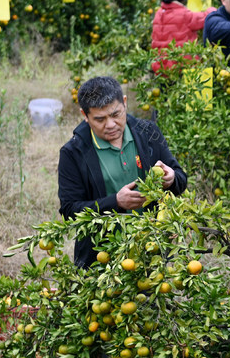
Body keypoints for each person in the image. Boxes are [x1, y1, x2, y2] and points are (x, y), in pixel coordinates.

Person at [58, 76, 187, 267]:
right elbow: (70, 211)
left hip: (150, 251)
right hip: (101, 257)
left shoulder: (148, 133)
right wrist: (115, 202)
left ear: (124, 103)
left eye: (116, 114)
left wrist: (172, 178)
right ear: (85, 115)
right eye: (100, 119)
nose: (110, 125)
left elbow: (181, 180)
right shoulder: (73, 153)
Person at [150, 0, 215, 75]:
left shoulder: (159, 12)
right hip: (181, 66)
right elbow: (206, 18)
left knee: (165, 89)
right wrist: (211, 9)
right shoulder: (185, 14)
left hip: (160, 67)